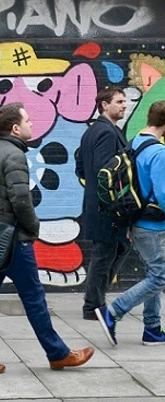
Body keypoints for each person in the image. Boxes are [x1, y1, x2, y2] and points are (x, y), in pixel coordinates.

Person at [0, 103, 94, 376]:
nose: (32, 125)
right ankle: (58, 354)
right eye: (28, 120)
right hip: (13, 240)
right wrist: (33, 229)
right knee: (34, 297)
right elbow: (21, 200)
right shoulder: (14, 156)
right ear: (15, 128)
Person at [96, 100, 165, 347]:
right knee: (160, 277)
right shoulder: (158, 152)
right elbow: (163, 194)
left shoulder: (136, 142)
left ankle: (153, 329)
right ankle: (113, 312)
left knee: (154, 272)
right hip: (152, 225)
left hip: (136, 221)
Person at [76, 88, 131, 321]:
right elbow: (105, 171)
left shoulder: (93, 131)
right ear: (104, 105)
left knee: (115, 248)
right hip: (107, 206)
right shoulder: (107, 132)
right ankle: (93, 305)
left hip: (97, 203)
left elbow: (80, 168)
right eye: (119, 102)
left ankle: (95, 298)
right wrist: (114, 202)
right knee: (104, 253)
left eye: (124, 102)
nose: (124, 106)